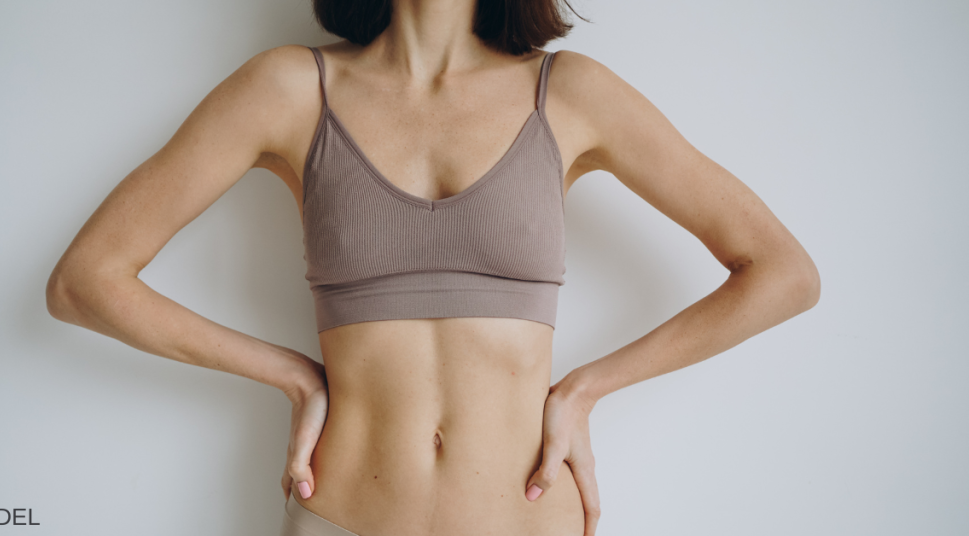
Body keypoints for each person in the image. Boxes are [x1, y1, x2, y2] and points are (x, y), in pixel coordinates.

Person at [45, 0, 820, 534]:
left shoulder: (571, 92)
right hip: (343, 517)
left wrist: (587, 389)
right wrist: (292, 374)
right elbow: (87, 281)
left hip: (528, 518)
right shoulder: (289, 87)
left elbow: (782, 271)